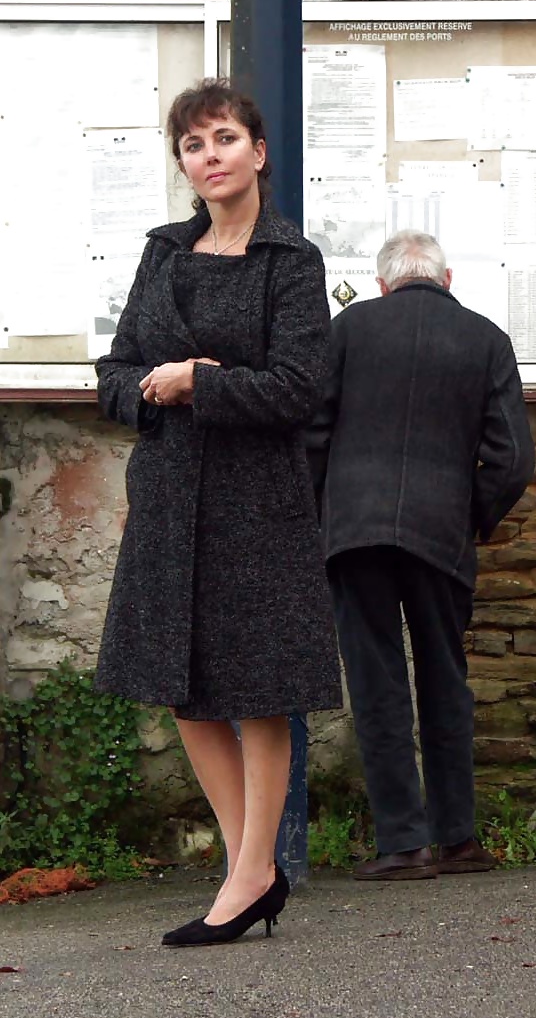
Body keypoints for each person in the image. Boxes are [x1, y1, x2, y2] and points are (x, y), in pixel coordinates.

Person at [95, 79, 341, 944]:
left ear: (258, 151)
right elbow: (116, 371)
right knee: (184, 690)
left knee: (259, 694)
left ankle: (244, 876)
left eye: (225, 137)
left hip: (255, 504)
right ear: (184, 165)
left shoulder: (290, 260)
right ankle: (254, 866)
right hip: (167, 498)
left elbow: (301, 389)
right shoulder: (163, 251)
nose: (211, 156)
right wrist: (152, 393)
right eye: (194, 145)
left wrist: (204, 382)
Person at [306, 230, 534, 880]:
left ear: (383, 283)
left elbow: (312, 436)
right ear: (448, 277)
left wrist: (324, 515)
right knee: (444, 678)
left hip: (355, 533)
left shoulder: (348, 328)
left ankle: (403, 843)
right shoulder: (487, 339)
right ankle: (458, 838)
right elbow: (513, 458)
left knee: (377, 683)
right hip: (441, 534)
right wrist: (472, 513)